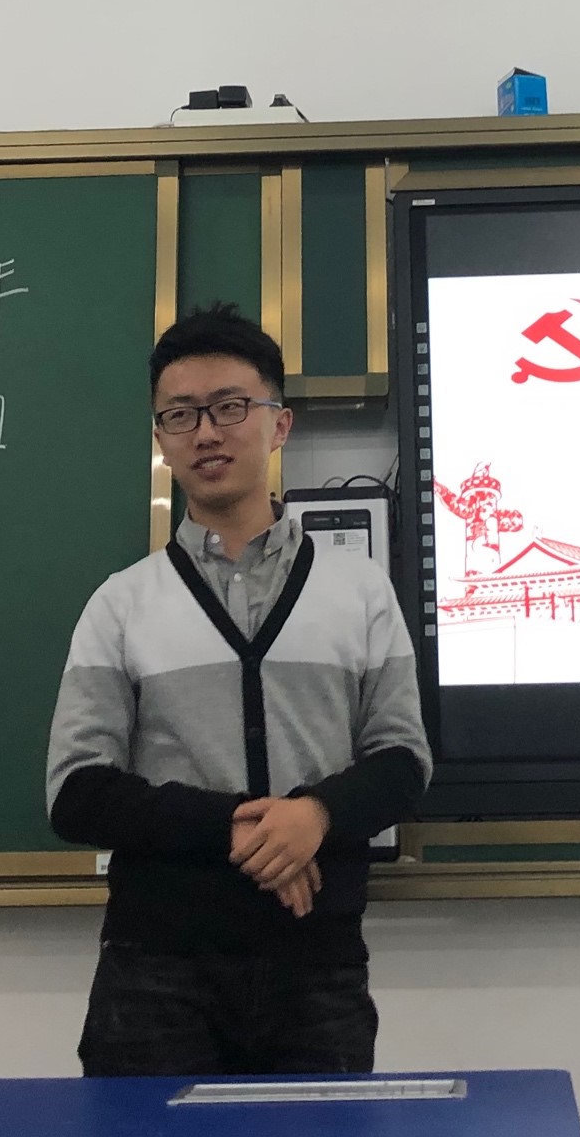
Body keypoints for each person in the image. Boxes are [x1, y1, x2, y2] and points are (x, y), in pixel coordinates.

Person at [44, 303, 430, 1075]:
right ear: (162, 440)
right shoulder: (121, 603)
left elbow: (403, 761)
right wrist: (241, 825)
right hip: (155, 974)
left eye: (229, 406)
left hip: (317, 969)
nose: (206, 432)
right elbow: (76, 791)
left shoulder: (359, 592)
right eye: (180, 415)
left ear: (278, 424)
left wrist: (315, 815)